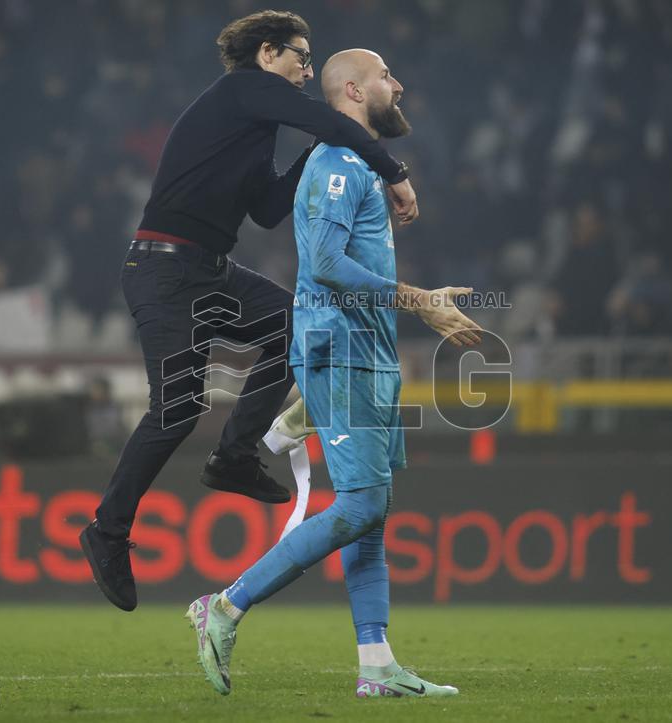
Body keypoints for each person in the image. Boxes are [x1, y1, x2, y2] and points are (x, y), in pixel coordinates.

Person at [79, 11, 420, 613]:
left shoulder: (251, 121)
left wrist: (323, 143)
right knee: (177, 409)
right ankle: (107, 532)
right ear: (267, 54)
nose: (308, 71)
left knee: (292, 326)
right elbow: (320, 116)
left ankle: (234, 455)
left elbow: (265, 208)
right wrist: (393, 171)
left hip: (205, 268)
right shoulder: (245, 88)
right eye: (300, 57)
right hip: (165, 272)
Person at [186, 48, 481, 698]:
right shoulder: (338, 163)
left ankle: (376, 662)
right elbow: (322, 263)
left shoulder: (364, 166)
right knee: (360, 504)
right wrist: (422, 301)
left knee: (371, 512)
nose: (397, 83)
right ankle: (227, 606)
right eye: (384, 76)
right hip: (339, 348)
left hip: (367, 353)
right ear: (352, 90)